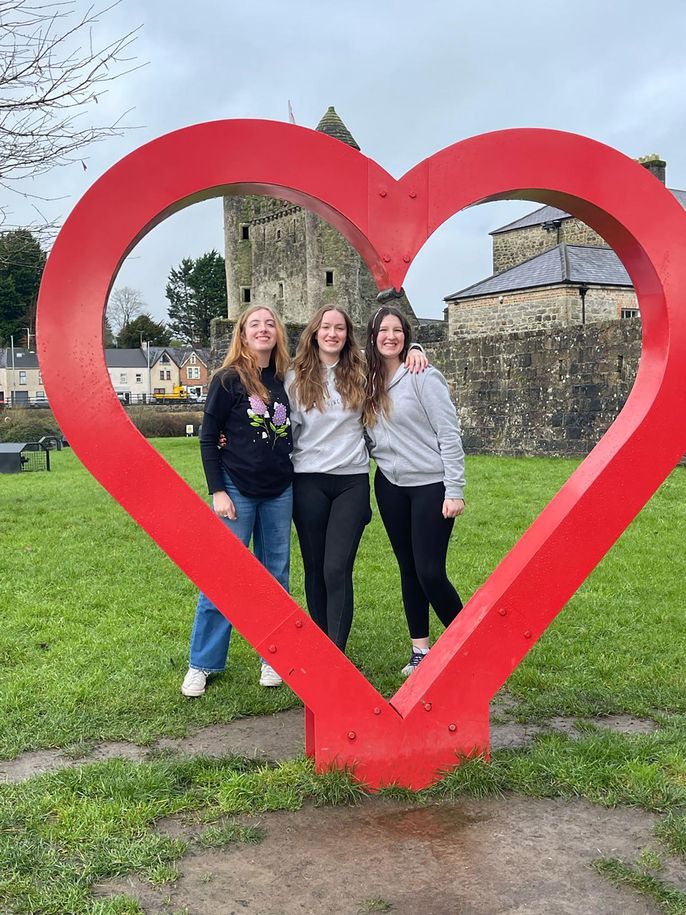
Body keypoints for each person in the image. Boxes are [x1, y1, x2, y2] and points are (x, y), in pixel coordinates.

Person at [287, 305, 427, 652]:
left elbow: (392, 357)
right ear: (314, 332)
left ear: (348, 335)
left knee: (337, 568)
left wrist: (416, 348)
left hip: (350, 480)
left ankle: (336, 652)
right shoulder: (294, 375)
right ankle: (319, 648)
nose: (332, 333)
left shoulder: (362, 371)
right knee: (315, 568)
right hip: (308, 480)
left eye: (340, 328)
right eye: (326, 327)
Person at [181, 305, 293, 697]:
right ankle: (203, 663)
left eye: (269, 324)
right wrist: (218, 491)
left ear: (278, 333)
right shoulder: (227, 380)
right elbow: (208, 438)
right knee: (224, 575)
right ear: (242, 335)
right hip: (236, 489)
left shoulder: (286, 378)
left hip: (279, 490)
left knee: (276, 576)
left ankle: (273, 658)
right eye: (254, 325)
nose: (263, 330)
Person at [364, 305, 466, 677]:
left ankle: (466, 644)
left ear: (406, 336)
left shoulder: (423, 375)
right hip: (390, 485)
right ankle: (420, 651)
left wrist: (454, 489)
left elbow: (449, 434)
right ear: (372, 337)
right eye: (383, 331)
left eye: (398, 331)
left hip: (430, 486)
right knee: (408, 569)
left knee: (430, 572)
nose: (390, 336)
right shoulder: (366, 380)